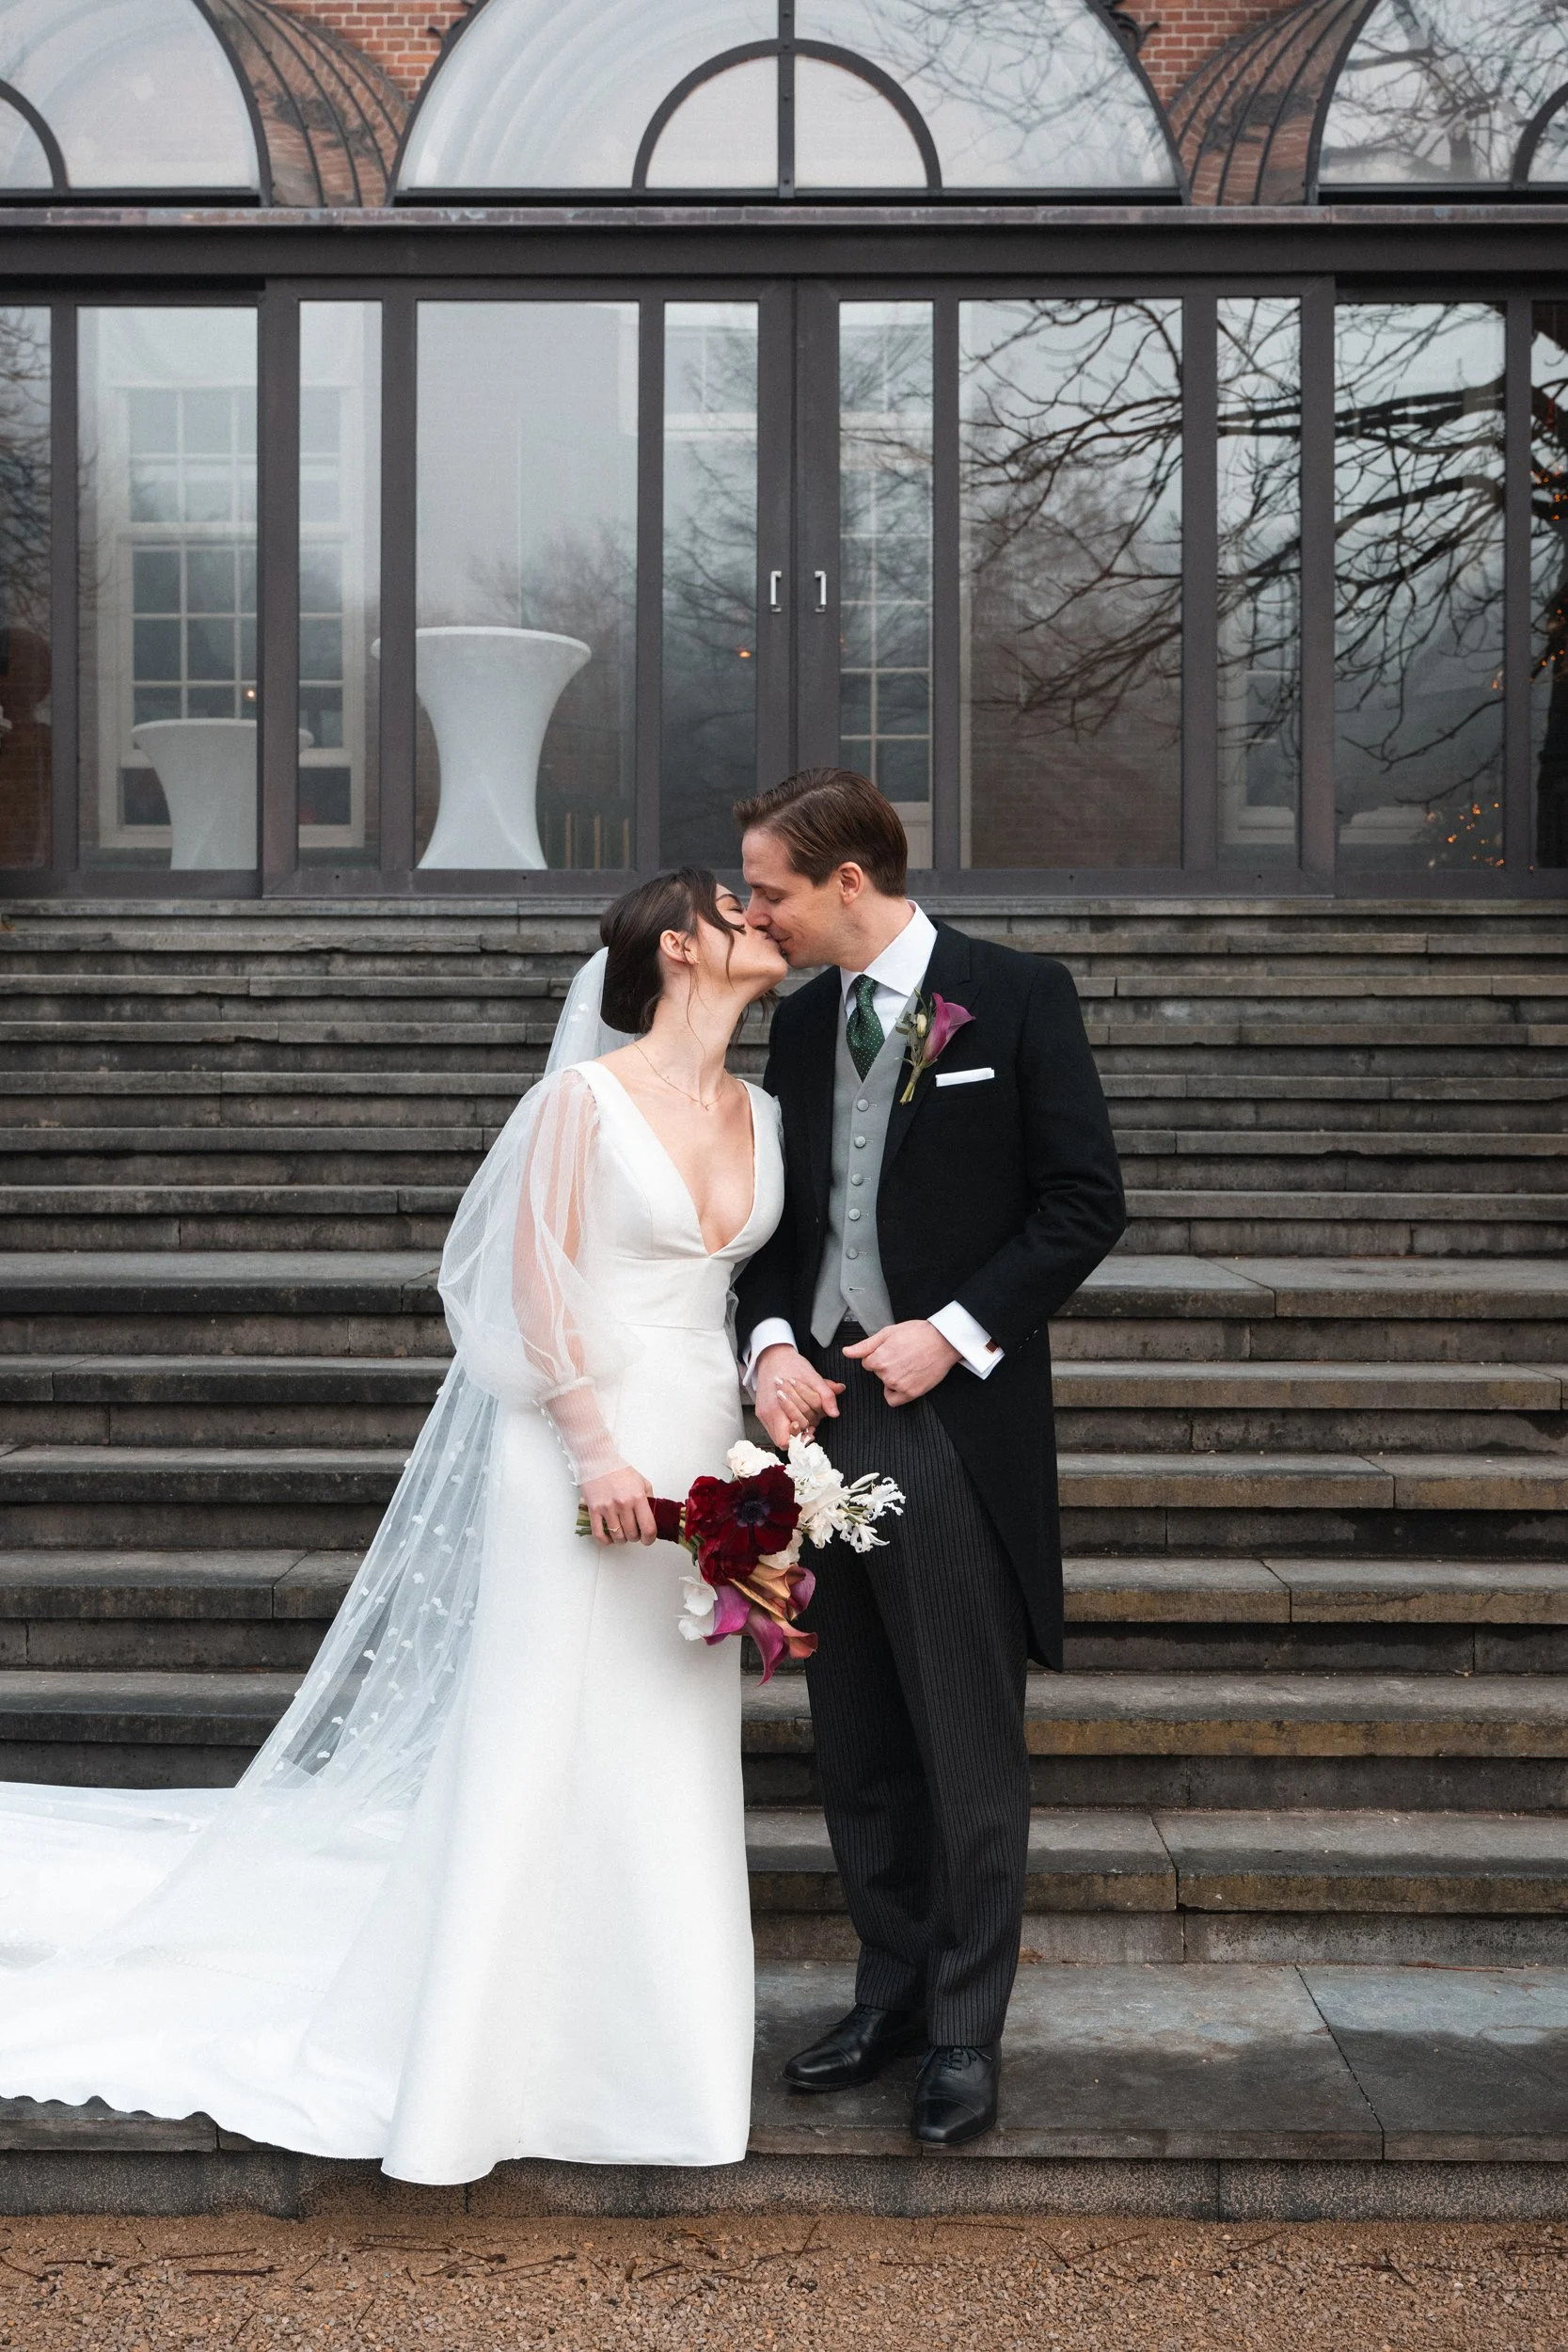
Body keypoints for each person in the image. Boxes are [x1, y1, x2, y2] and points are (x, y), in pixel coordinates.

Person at [0, 870, 786, 2184]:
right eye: (735, 906)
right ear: (678, 946)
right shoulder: (575, 1103)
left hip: (706, 1442)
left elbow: (753, 1281)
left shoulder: (763, 1109)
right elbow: (519, 1287)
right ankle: (471, 2076)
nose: (763, 919)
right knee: (537, 1732)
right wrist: (591, 1444)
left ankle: (648, 2067)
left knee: (671, 1744)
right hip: (578, 1451)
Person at [734, 769, 1125, 2149]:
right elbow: (774, 1232)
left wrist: (950, 1335)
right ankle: (889, 1993)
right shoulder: (792, 1028)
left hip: (949, 1415)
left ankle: (965, 2032)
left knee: (963, 1742)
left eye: (770, 888)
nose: (753, 912)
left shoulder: (1014, 994)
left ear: (848, 882)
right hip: (816, 1421)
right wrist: (775, 1340)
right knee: (854, 1745)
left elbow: (1087, 1201)